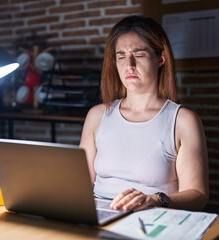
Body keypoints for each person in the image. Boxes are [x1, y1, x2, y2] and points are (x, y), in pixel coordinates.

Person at [79, 15, 208, 212]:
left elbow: (198, 195)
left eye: (138, 55)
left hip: (153, 217)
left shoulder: (182, 120)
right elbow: (80, 183)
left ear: (160, 59)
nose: (129, 65)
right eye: (121, 56)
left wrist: (156, 199)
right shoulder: (97, 115)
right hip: (98, 214)